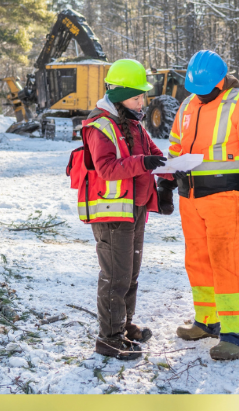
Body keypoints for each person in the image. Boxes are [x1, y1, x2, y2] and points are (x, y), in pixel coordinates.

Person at [160, 50, 239, 361]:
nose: (199, 94)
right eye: (195, 89)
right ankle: (208, 322)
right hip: (190, 197)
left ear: (221, 80)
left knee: (225, 264)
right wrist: (166, 183)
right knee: (197, 261)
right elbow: (175, 147)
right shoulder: (187, 104)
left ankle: (236, 335)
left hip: (224, 195)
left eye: (205, 88)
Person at [81, 59, 168, 361]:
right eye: (136, 96)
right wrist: (142, 163)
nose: (142, 102)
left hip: (136, 209)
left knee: (130, 275)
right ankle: (109, 339)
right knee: (115, 277)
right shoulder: (100, 125)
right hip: (113, 214)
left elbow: (153, 153)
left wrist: (173, 171)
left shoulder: (133, 121)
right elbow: (106, 168)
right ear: (119, 96)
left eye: (143, 96)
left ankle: (124, 325)